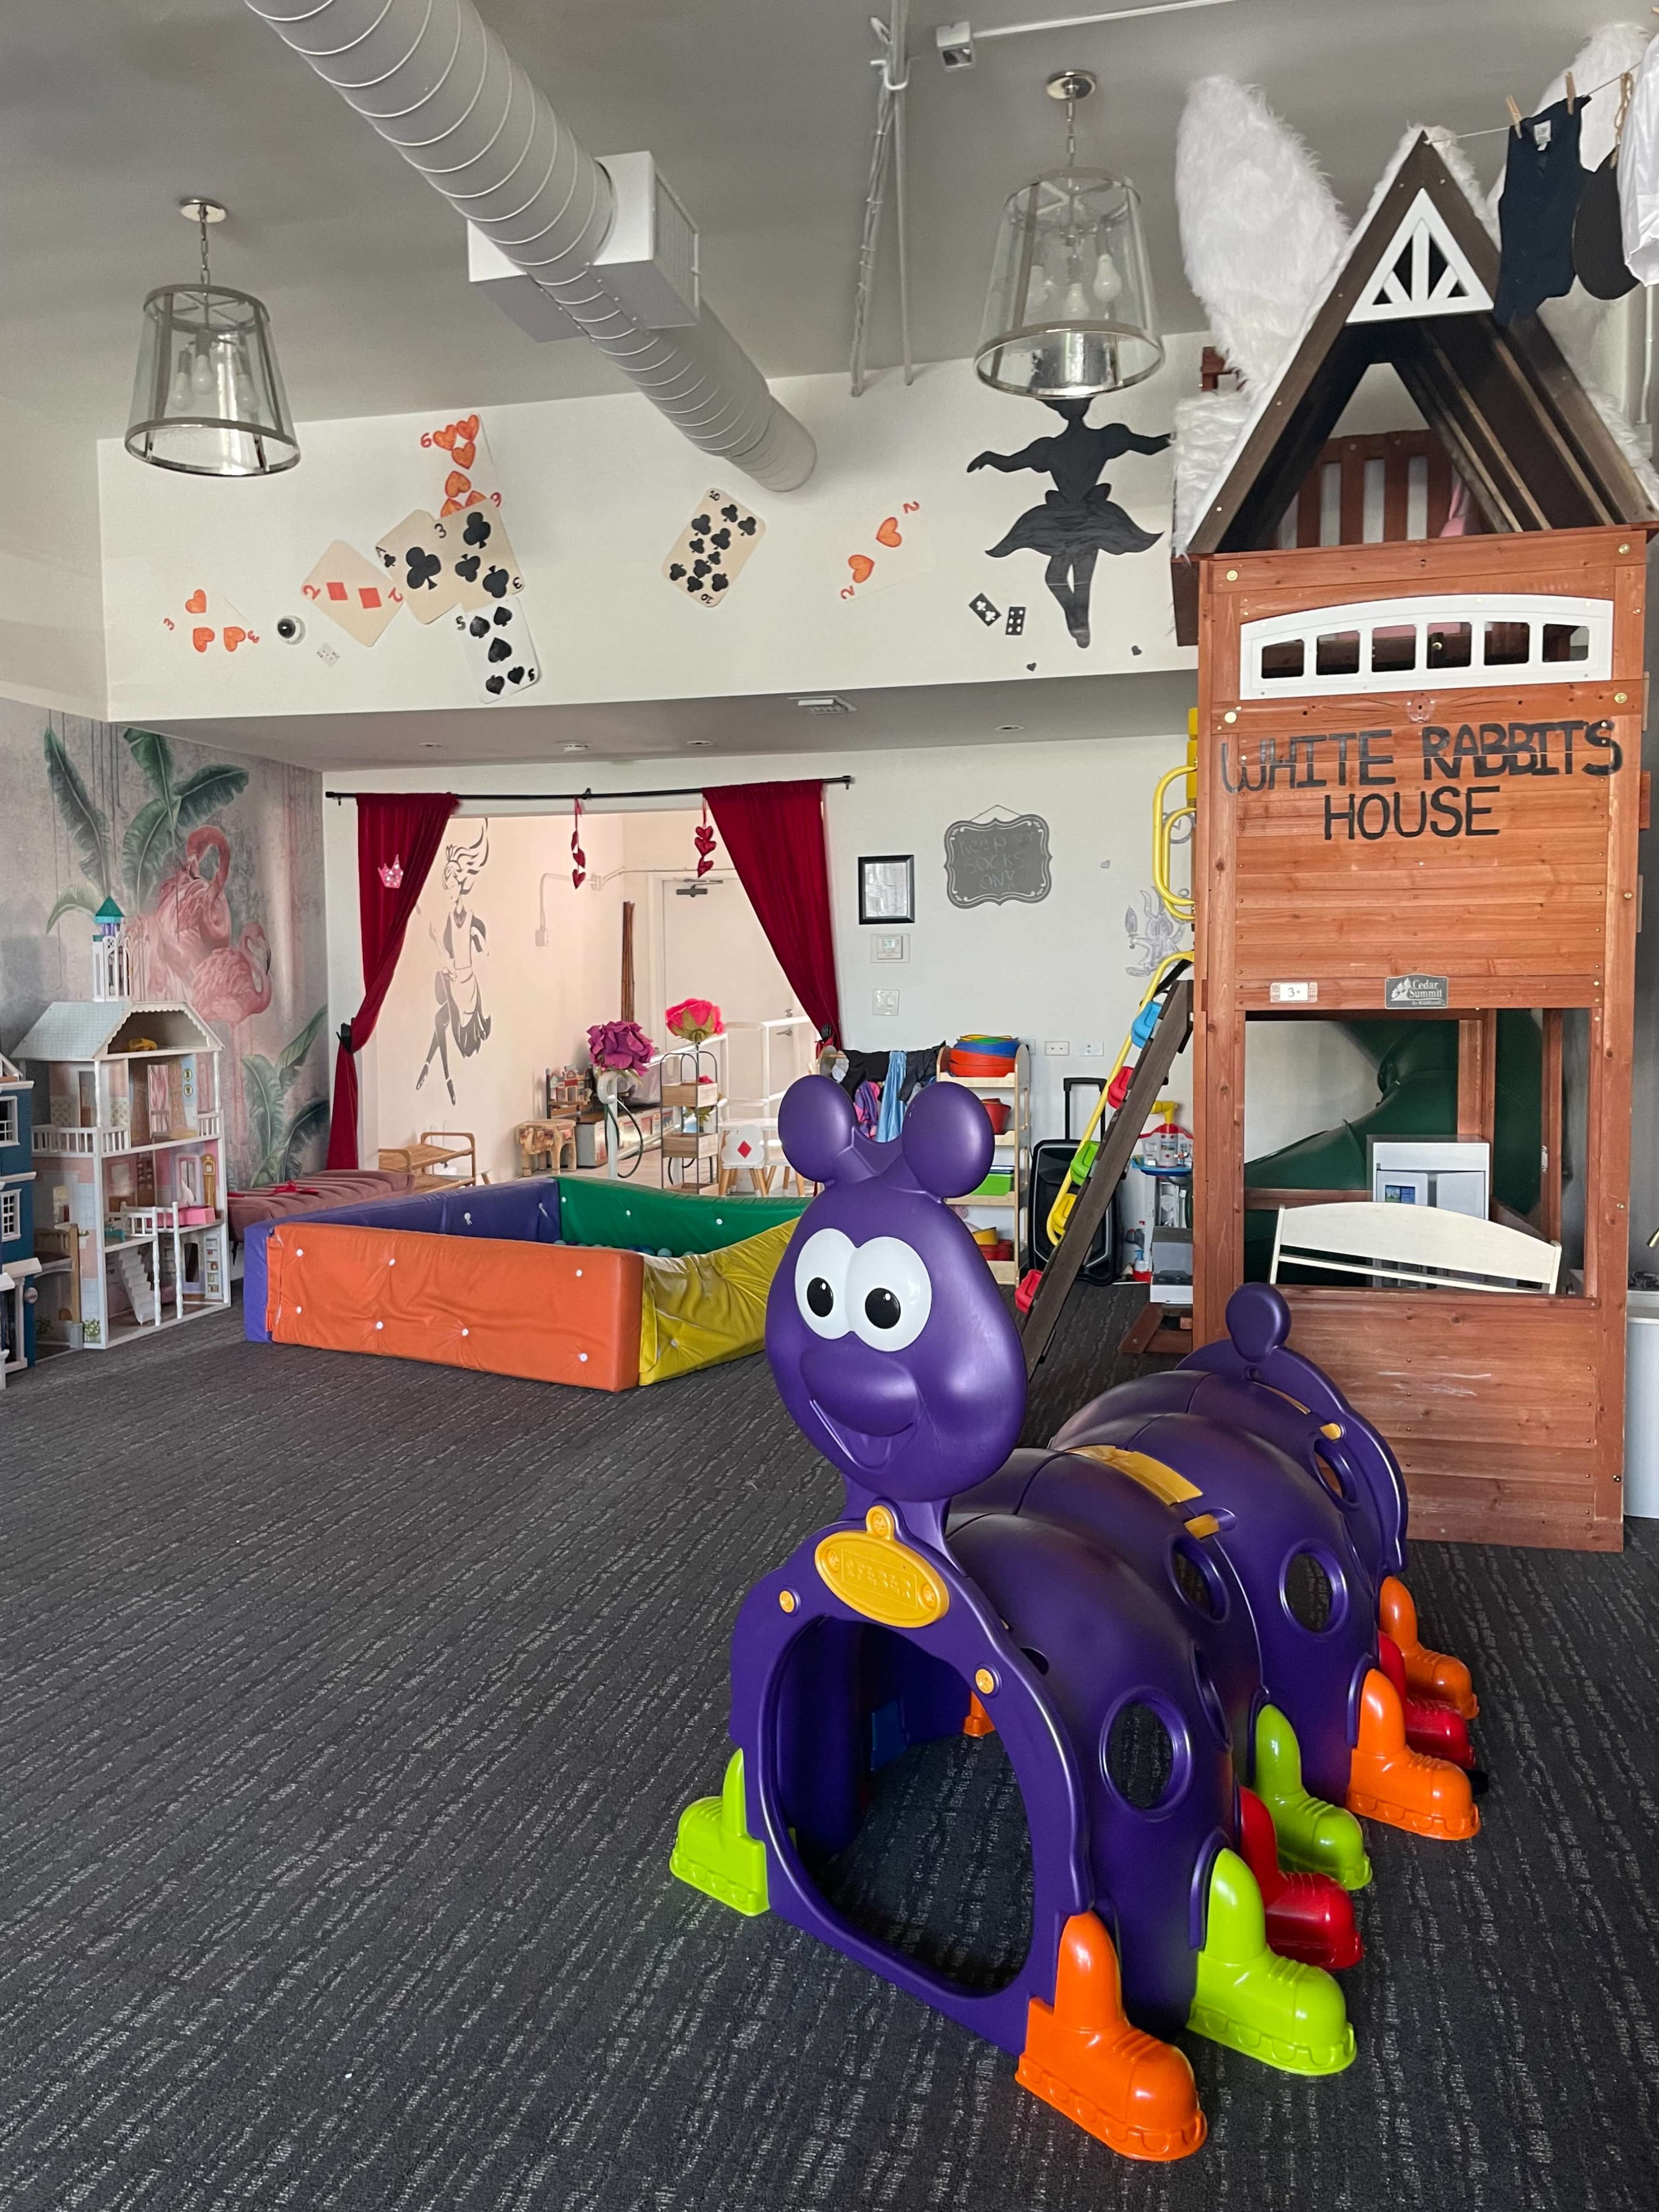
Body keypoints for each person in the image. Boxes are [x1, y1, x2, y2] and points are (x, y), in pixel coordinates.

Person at [968, 398, 1170, 648]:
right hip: (1071, 516)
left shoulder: (1066, 445)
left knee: (1070, 577)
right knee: (1059, 577)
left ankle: (1079, 623)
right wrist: (992, 458)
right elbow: (1150, 446)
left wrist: (991, 458)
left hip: (1083, 515)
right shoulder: (1088, 442)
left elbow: (1010, 464)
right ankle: (1077, 620)